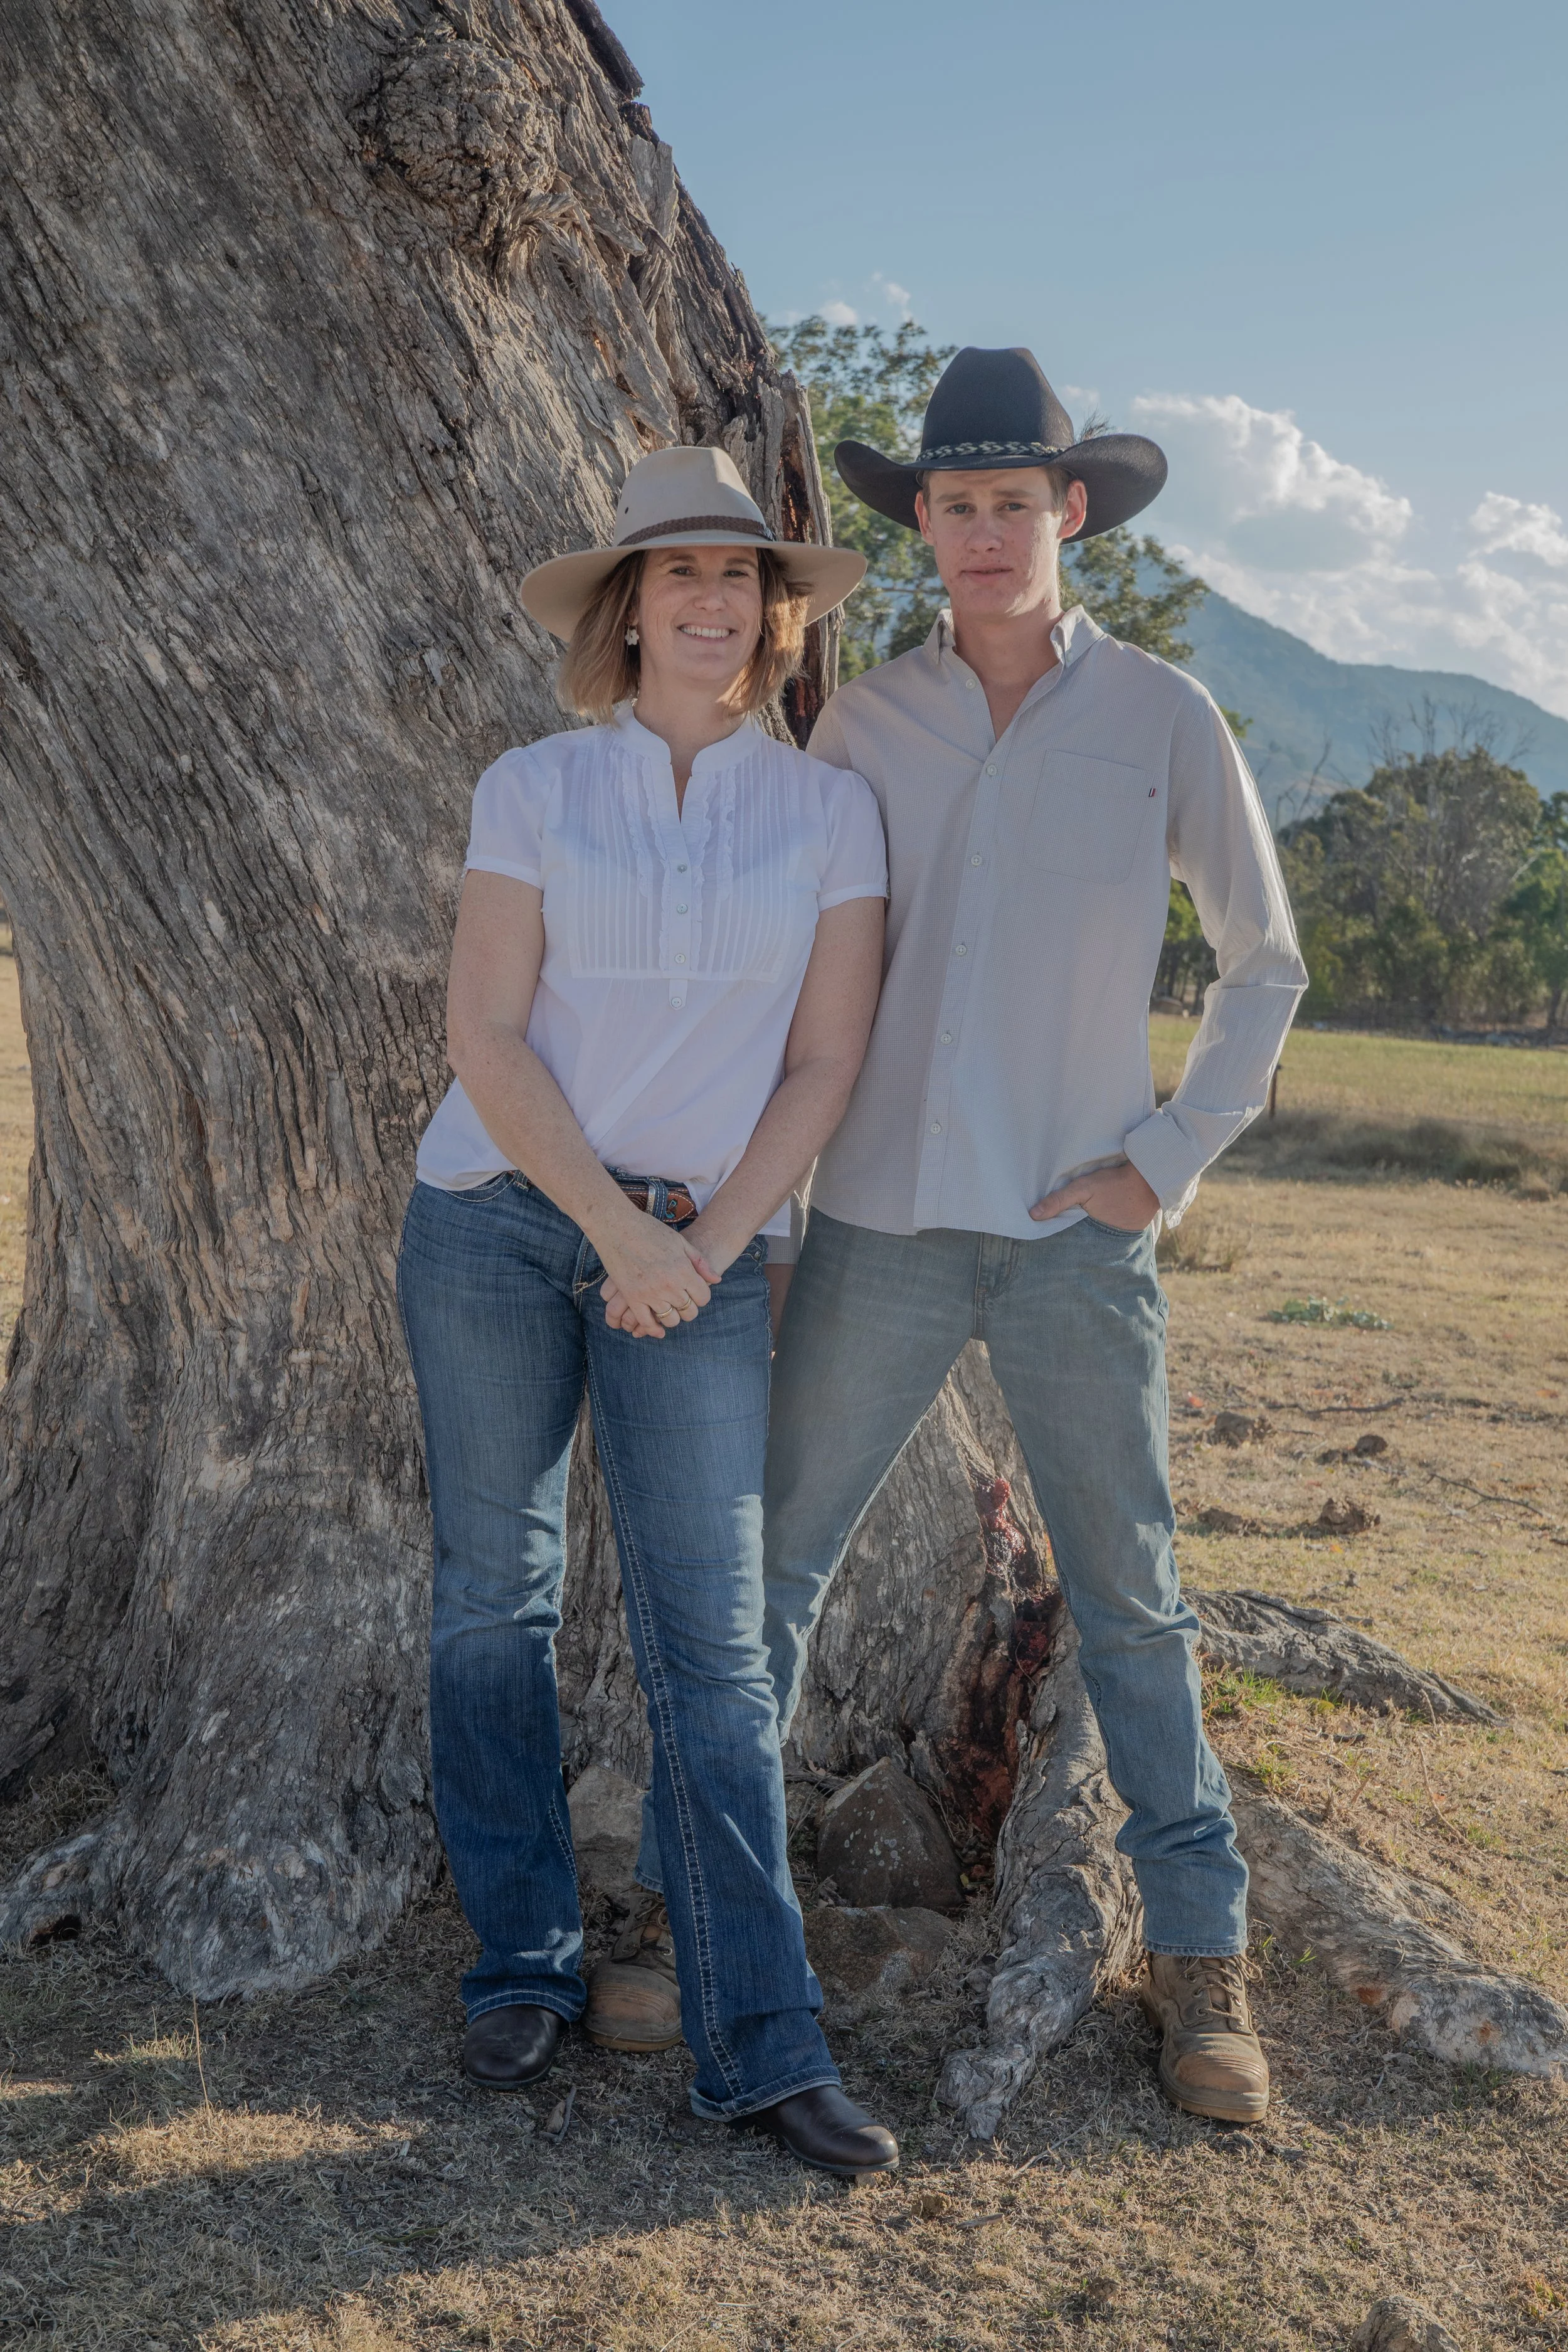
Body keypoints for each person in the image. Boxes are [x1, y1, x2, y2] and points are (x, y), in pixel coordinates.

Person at [762, 348, 1308, 2126]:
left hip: (1077, 1236)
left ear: (1069, 513)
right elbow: (791, 966)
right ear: (917, 523)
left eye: (1015, 502)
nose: (984, 531)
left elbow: (1262, 962)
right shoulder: (861, 724)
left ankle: (1202, 1966)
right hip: (877, 1218)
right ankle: (710, 1917)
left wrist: (1164, 1156)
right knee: (769, 1579)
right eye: (953, 503)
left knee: (1135, 1605)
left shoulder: (1159, 718)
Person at [398, 445, 899, 2176]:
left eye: (737, 576)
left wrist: (701, 1244)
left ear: (775, 615)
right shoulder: (532, 785)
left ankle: (760, 2036)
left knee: (711, 1645)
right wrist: (616, 1230)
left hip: (706, 1244)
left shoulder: (829, 810)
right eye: (672, 574)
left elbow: (825, 1058)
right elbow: (486, 1038)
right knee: (493, 1597)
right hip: (494, 1220)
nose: (707, 600)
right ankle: (520, 1957)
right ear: (623, 610)